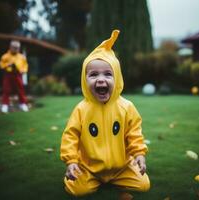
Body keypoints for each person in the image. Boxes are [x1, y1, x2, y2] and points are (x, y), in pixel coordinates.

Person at [60, 30, 150, 199]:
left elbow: (134, 133)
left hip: (121, 167)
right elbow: (70, 136)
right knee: (78, 190)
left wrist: (139, 154)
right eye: (93, 75)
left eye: (108, 74)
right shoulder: (81, 109)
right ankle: (81, 176)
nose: (101, 80)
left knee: (143, 185)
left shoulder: (126, 107)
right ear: (84, 80)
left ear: (117, 78)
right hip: (89, 168)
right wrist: (71, 161)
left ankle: (116, 178)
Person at [0, 40, 29, 113]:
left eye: (17, 48)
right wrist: (7, 65)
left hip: (18, 74)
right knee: (6, 89)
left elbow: (25, 66)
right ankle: (5, 105)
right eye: (14, 47)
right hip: (8, 74)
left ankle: (23, 104)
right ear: (10, 47)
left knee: (20, 89)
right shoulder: (5, 56)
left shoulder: (22, 57)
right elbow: (1, 64)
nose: (16, 49)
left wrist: (22, 70)